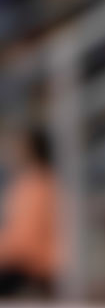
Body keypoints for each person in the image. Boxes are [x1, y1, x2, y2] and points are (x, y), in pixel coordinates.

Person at [0, 127, 60, 298]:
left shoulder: (37, 185)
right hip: (24, 260)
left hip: (33, 265)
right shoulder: (33, 182)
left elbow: (25, 241)